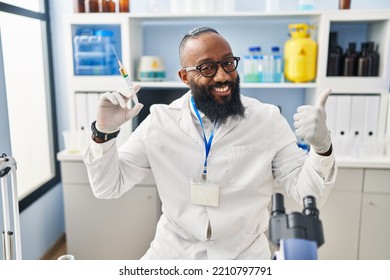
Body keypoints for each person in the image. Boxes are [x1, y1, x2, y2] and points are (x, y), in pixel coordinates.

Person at [83, 26, 337, 260]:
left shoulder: (267, 120)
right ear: (184, 77)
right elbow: (108, 186)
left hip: (244, 257)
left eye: (228, 63)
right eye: (207, 68)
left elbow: (308, 194)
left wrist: (322, 146)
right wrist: (103, 133)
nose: (223, 76)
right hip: (173, 255)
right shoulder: (159, 122)